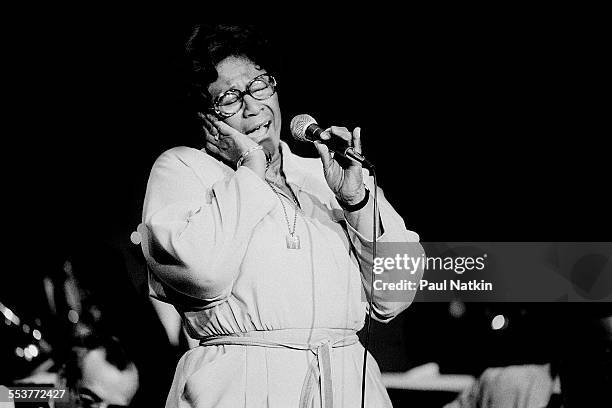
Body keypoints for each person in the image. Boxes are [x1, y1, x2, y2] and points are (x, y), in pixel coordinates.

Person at [138, 24, 423, 407]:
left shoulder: (325, 176)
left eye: (259, 85)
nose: (253, 106)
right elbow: (202, 275)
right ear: (205, 116)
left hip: (348, 383)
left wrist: (356, 201)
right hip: (241, 386)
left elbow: (398, 291)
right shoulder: (185, 171)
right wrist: (251, 166)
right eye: (229, 98)